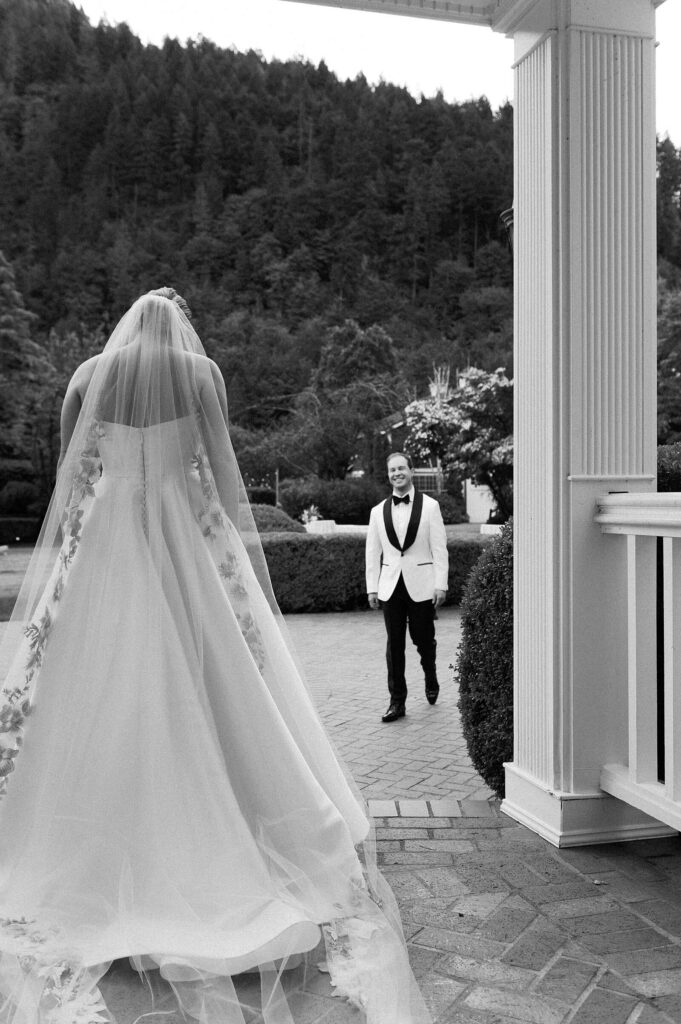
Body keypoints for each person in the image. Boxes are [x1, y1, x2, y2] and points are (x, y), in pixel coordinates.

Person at [0, 290, 432, 1024]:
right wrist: (227, 545)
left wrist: (73, 555)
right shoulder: (200, 372)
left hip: (106, 537)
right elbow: (217, 466)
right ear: (179, 320)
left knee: (92, 683)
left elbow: (75, 478)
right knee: (216, 679)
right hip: (180, 530)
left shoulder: (85, 376)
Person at [366, 453, 449, 723]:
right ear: (388, 474)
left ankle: (431, 675)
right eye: (392, 470)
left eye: (402, 468)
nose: (397, 473)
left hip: (423, 585)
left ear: (411, 471)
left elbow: (439, 549)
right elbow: (372, 553)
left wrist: (441, 584)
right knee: (395, 646)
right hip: (391, 587)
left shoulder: (430, 507)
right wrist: (372, 588)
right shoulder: (377, 512)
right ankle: (397, 702)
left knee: (424, 640)